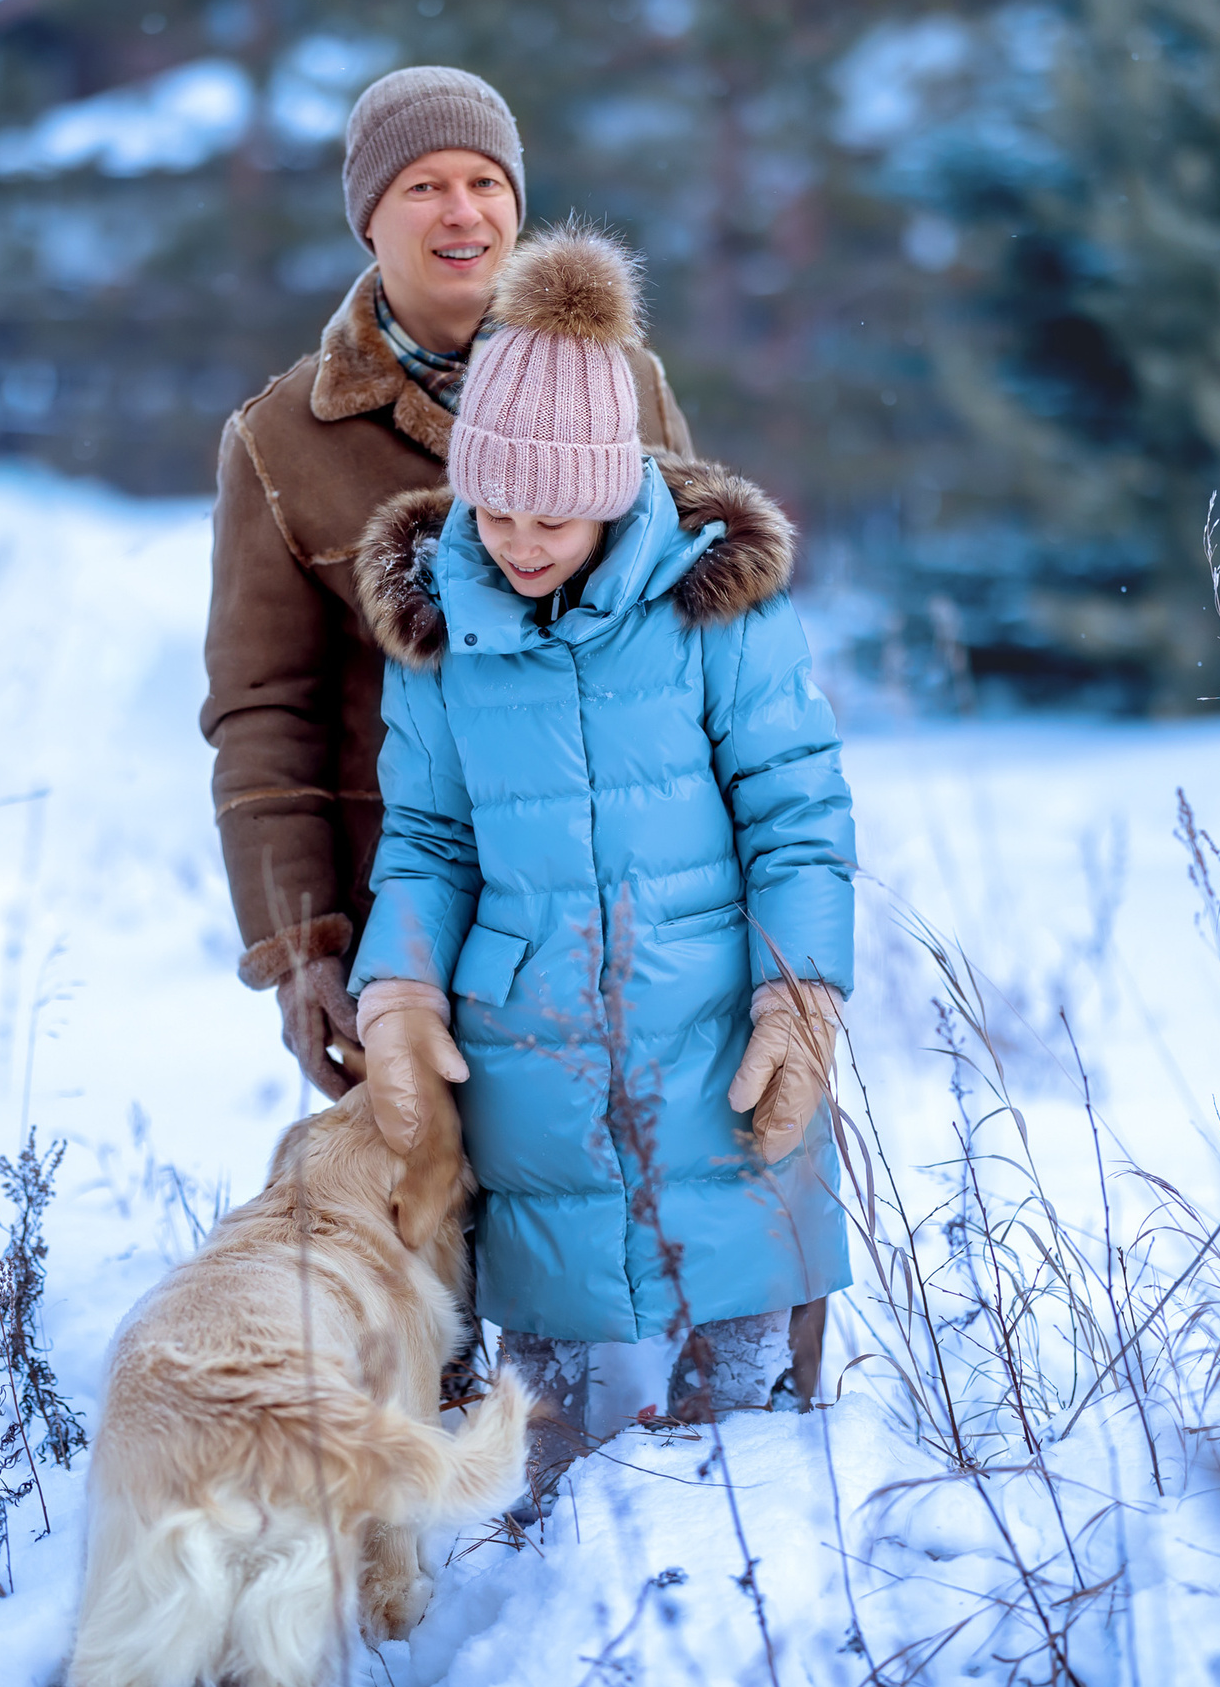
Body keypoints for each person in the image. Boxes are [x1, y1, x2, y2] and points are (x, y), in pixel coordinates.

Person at [344, 225, 854, 1510]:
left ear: (617, 485)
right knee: (548, 1379)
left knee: (740, 1346)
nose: (518, 540)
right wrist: (398, 994)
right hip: (532, 1041)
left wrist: (799, 995)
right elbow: (429, 840)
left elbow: (795, 809)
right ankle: (546, 1562)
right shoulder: (443, 631)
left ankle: (750, 1568)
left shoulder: (712, 607)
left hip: (709, 1024)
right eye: (495, 508)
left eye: (554, 514)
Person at [202, 66, 692, 1098]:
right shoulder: (283, 440)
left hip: (623, 903)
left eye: (485, 181)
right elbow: (263, 714)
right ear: (369, 220)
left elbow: (688, 635)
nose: (462, 212)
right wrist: (302, 951)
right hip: (414, 924)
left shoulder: (623, 381)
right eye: (422, 186)